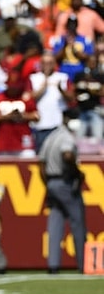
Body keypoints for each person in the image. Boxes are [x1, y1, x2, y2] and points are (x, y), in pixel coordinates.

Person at [38, 107, 88, 274]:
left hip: (52, 182)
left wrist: (47, 184)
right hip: (65, 182)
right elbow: (67, 155)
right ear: (66, 119)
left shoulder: (51, 136)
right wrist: (77, 172)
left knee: (55, 224)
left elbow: (41, 163)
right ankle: (83, 263)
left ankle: (53, 265)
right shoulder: (66, 137)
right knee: (77, 222)